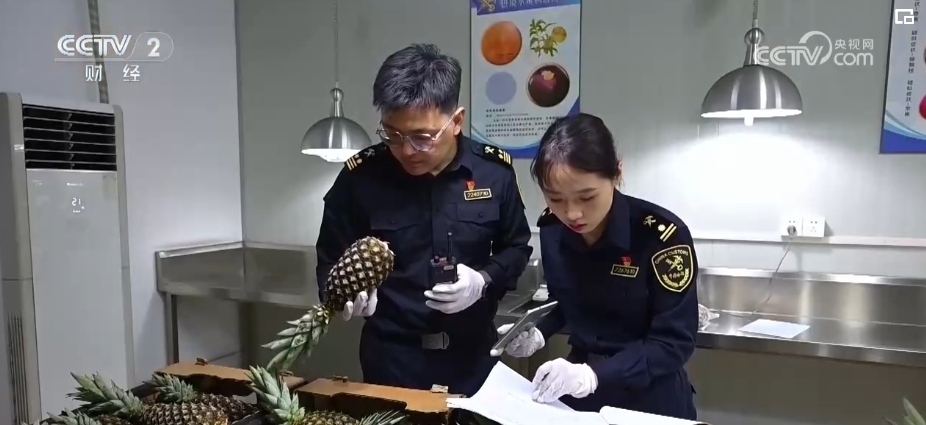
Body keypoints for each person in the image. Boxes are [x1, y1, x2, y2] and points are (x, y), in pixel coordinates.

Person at [316, 43, 533, 396]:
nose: (406, 150)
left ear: (456, 121)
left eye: (422, 137)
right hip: (392, 359)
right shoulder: (361, 178)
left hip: (473, 357)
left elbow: (517, 248)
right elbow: (329, 258)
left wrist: (482, 280)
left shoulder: (494, 173)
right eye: (392, 134)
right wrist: (343, 296)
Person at [496, 113, 699, 419]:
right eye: (556, 199)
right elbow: (564, 302)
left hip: (649, 397)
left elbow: (673, 343)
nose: (572, 213)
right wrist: (536, 331)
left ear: (616, 174)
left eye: (586, 197)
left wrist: (593, 376)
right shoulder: (553, 229)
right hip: (578, 395)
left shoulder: (661, 237)